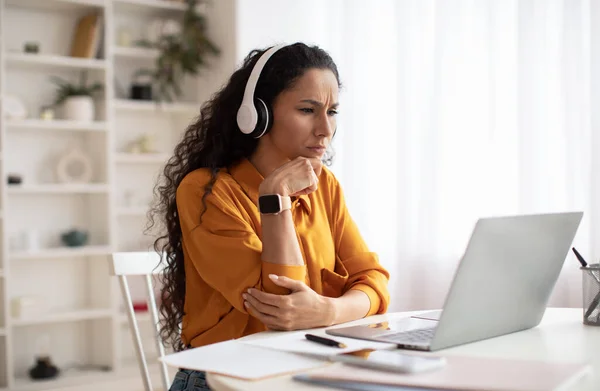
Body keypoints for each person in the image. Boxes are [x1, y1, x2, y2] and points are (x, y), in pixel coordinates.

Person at [149, 42, 390, 391]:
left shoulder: (326, 186)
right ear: (256, 115)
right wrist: (274, 200)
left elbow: (374, 281)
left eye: (332, 112)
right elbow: (279, 307)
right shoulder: (204, 191)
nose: (325, 129)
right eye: (308, 110)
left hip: (305, 371)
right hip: (223, 378)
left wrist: (328, 312)